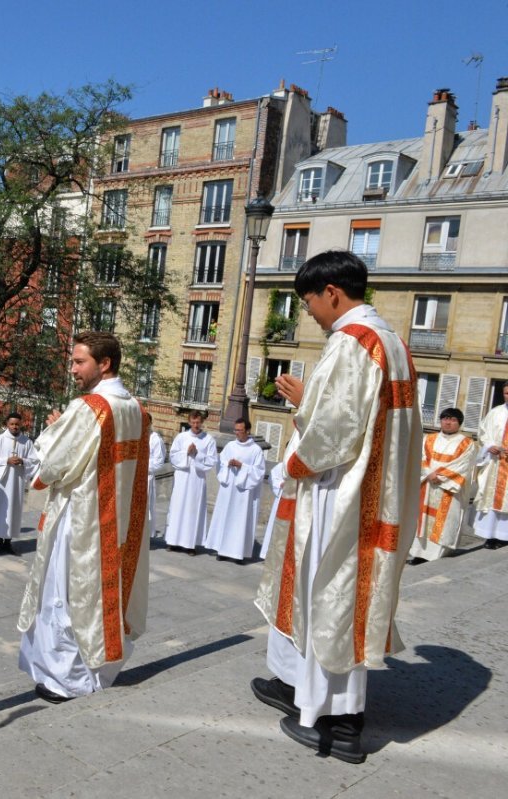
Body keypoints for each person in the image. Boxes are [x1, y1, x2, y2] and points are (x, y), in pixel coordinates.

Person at [252, 250, 421, 764]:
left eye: (309, 302)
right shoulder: (392, 342)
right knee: (313, 594)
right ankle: (297, 685)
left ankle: (341, 724)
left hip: (338, 497)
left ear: (332, 292)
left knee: (332, 598)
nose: (309, 313)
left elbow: (334, 434)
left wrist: (300, 419)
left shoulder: (352, 342)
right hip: (368, 491)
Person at [18, 331, 149, 703]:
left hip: (82, 522)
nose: (72, 368)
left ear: (103, 364)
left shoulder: (90, 407)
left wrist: (55, 430)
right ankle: (97, 671)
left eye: (79, 362)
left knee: (65, 597)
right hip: (120, 521)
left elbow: (52, 467)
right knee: (100, 598)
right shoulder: (136, 408)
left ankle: (65, 679)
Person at [410, 408, 476, 562]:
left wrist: (440, 476)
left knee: (444, 523)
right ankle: (418, 553)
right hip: (426, 485)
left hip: (448, 489)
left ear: (459, 423)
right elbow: (419, 456)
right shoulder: (428, 438)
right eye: (445, 418)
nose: (448, 422)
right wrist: (428, 473)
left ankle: (437, 555)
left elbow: (463, 465)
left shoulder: (467, 443)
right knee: (421, 520)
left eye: (452, 419)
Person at [204, 419, 267, 563]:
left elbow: (259, 472)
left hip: (244, 494)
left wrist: (242, 466)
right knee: (226, 518)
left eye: (239, 430)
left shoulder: (255, 450)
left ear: (247, 431)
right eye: (235, 430)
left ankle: (239, 553)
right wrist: (228, 464)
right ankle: (222, 549)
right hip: (229, 489)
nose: (236, 433)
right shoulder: (230, 446)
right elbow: (221, 462)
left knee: (241, 520)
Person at [0, 412, 39, 554]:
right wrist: (6, 461)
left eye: (17, 424)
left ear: (21, 424)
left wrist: (23, 461)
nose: (14, 426)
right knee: (1, 510)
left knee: (13, 511)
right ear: (7, 424)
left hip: (16, 483)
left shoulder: (26, 442)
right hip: (2, 482)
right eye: (12, 424)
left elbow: (34, 461)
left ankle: (8, 543)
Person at [164, 410, 218, 553]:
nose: (196, 425)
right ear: (189, 422)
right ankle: (173, 541)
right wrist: (186, 453)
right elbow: (173, 455)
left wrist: (197, 454)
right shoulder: (181, 437)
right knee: (178, 508)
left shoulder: (208, 440)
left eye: (198, 422)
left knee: (193, 510)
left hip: (197, 480)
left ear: (202, 422)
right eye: (193, 422)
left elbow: (212, 460)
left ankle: (190, 544)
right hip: (182, 478)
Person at [473, 382, 508, 549]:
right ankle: (490, 536)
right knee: (491, 498)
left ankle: (504, 536)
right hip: (494, 464)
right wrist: (490, 447)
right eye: (507, 393)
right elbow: (483, 434)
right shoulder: (495, 413)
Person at [259, 462, 287, 560]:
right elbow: (273, 477)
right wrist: (280, 484)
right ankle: (269, 553)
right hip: (282, 497)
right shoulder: (283, 465)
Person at [147, 422, 165, 538]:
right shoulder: (137, 435)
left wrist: (143, 465)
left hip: (147, 476)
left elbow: (159, 462)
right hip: (134, 476)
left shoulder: (156, 440)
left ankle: (146, 535)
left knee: (146, 507)